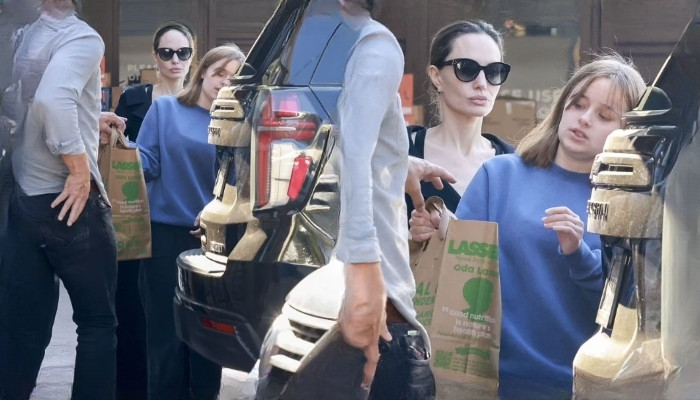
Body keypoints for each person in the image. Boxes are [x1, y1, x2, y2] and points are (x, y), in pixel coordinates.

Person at [415, 54, 646, 398]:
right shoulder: (499, 175)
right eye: (577, 104)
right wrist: (431, 232)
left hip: (577, 385)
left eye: (604, 115)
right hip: (482, 379)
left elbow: (629, 318)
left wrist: (579, 255)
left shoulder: (629, 204)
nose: (584, 119)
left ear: (627, 132)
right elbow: (456, 271)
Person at [0, 0, 119, 399]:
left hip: (23, 200)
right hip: (72, 203)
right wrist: (79, 169)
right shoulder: (81, 37)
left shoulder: (23, 36)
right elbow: (52, 100)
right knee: (97, 322)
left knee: (22, 327)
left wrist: (89, 118)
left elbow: (30, 103)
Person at [334, 0, 436, 398]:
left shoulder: (322, 42)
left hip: (344, 286)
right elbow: (352, 152)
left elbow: (344, 145)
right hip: (378, 300)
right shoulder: (375, 43)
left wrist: (396, 164)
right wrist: (362, 269)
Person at [133, 44, 244, 400]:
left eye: (234, 77)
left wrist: (219, 209)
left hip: (214, 242)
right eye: (219, 73)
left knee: (209, 339)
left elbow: (242, 184)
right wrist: (118, 147)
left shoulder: (239, 126)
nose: (225, 82)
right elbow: (147, 162)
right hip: (164, 237)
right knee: (165, 337)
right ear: (203, 73)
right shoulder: (165, 109)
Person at [112, 20, 194, 400]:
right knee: (133, 306)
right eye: (167, 52)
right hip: (136, 215)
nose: (175, 60)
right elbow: (120, 155)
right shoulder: (134, 100)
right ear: (155, 57)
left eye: (183, 52)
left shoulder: (203, 102)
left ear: (192, 56)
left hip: (185, 218)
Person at [406, 20, 514, 225]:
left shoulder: (514, 164)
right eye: (467, 69)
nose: (482, 84)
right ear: (436, 76)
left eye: (493, 71)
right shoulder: (398, 150)